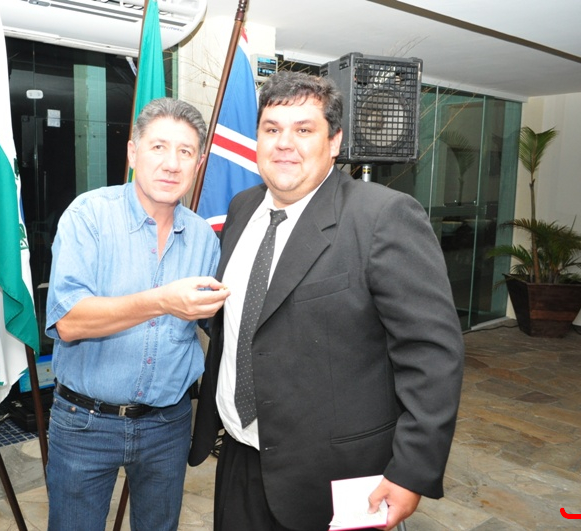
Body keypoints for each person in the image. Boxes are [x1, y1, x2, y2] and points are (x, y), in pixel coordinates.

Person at [189, 71, 465, 531]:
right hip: (238, 453)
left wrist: (411, 469)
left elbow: (432, 356)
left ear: (334, 141)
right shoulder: (241, 208)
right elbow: (246, 321)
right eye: (272, 129)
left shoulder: (383, 217)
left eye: (304, 129)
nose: (284, 143)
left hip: (333, 474)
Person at [44, 97, 230, 531]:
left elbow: (217, 323)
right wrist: (161, 301)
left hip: (168, 424)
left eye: (185, 152)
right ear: (133, 152)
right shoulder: (89, 216)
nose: (171, 164)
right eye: (158, 147)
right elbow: (69, 322)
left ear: (199, 163)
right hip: (85, 423)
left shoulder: (204, 238)